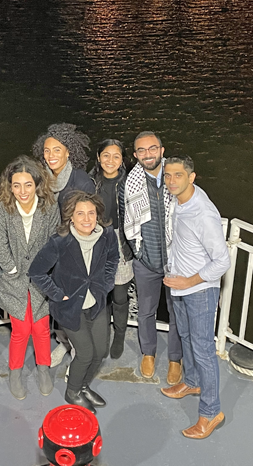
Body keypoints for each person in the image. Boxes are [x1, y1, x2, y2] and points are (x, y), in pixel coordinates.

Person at [29, 191, 119, 413]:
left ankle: (84, 386)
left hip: (96, 302)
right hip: (70, 307)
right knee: (85, 353)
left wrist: (105, 286)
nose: (87, 219)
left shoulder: (107, 235)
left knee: (100, 352)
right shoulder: (59, 242)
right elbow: (37, 271)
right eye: (80, 214)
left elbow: (112, 260)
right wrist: (58, 294)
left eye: (91, 213)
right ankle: (73, 392)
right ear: (71, 217)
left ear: (98, 215)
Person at [161, 155, 230, 439]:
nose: (171, 181)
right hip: (180, 286)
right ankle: (191, 381)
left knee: (203, 351)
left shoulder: (203, 213)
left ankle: (211, 413)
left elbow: (222, 261)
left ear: (192, 177)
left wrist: (189, 280)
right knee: (186, 337)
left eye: (178, 175)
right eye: (168, 176)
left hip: (200, 290)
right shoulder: (180, 202)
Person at [0, 156, 60, 400]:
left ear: (37, 185)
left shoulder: (49, 206)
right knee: (20, 330)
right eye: (17, 185)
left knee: (41, 328)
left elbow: (54, 239)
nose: (23, 191)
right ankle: (15, 373)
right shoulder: (2, 207)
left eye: (28, 185)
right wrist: (11, 269)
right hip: (13, 279)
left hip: (41, 278)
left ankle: (43, 370)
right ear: (10, 186)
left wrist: (44, 269)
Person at [120, 131, 182, 383]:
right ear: (135, 155)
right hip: (146, 260)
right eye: (142, 151)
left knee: (177, 311)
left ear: (162, 150)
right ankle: (148, 353)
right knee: (146, 310)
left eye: (152, 149)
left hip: (177, 259)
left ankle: (175, 358)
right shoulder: (131, 181)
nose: (148, 154)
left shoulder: (176, 178)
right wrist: (139, 252)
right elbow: (128, 220)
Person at [33, 123, 95, 366]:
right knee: (57, 300)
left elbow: (88, 219)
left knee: (74, 302)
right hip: (51, 250)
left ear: (68, 152)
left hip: (74, 251)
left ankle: (78, 348)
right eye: (47, 151)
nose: (51, 156)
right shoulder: (42, 179)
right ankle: (63, 342)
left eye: (57, 150)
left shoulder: (81, 181)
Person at [90, 139, 134, 359]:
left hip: (120, 240)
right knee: (100, 292)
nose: (110, 160)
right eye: (106, 155)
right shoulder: (90, 181)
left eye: (116, 156)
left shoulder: (129, 183)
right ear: (98, 157)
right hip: (95, 238)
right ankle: (102, 334)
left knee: (119, 294)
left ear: (122, 160)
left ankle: (119, 334)